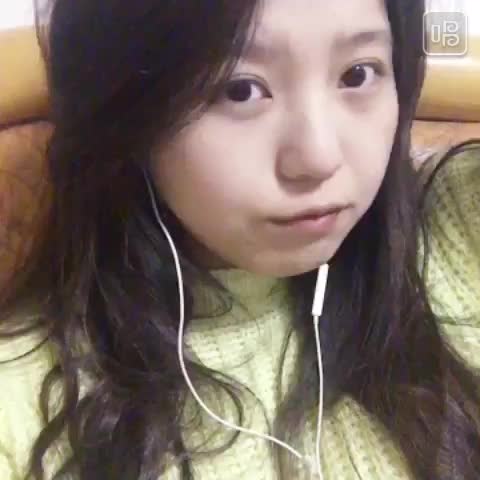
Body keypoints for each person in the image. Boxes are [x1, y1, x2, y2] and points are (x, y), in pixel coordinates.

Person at [1, 0, 480, 479]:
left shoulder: (455, 223)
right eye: (240, 89)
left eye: (357, 75)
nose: (318, 157)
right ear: (127, 111)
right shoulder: (18, 407)